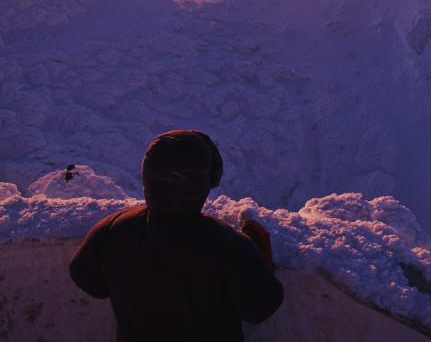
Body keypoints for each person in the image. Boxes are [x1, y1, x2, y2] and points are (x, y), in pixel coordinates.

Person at [69, 130, 284, 341]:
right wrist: (256, 257)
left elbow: (90, 282)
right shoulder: (229, 245)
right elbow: (261, 308)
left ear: (146, 177)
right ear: (204, 184)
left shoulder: (110, 230)